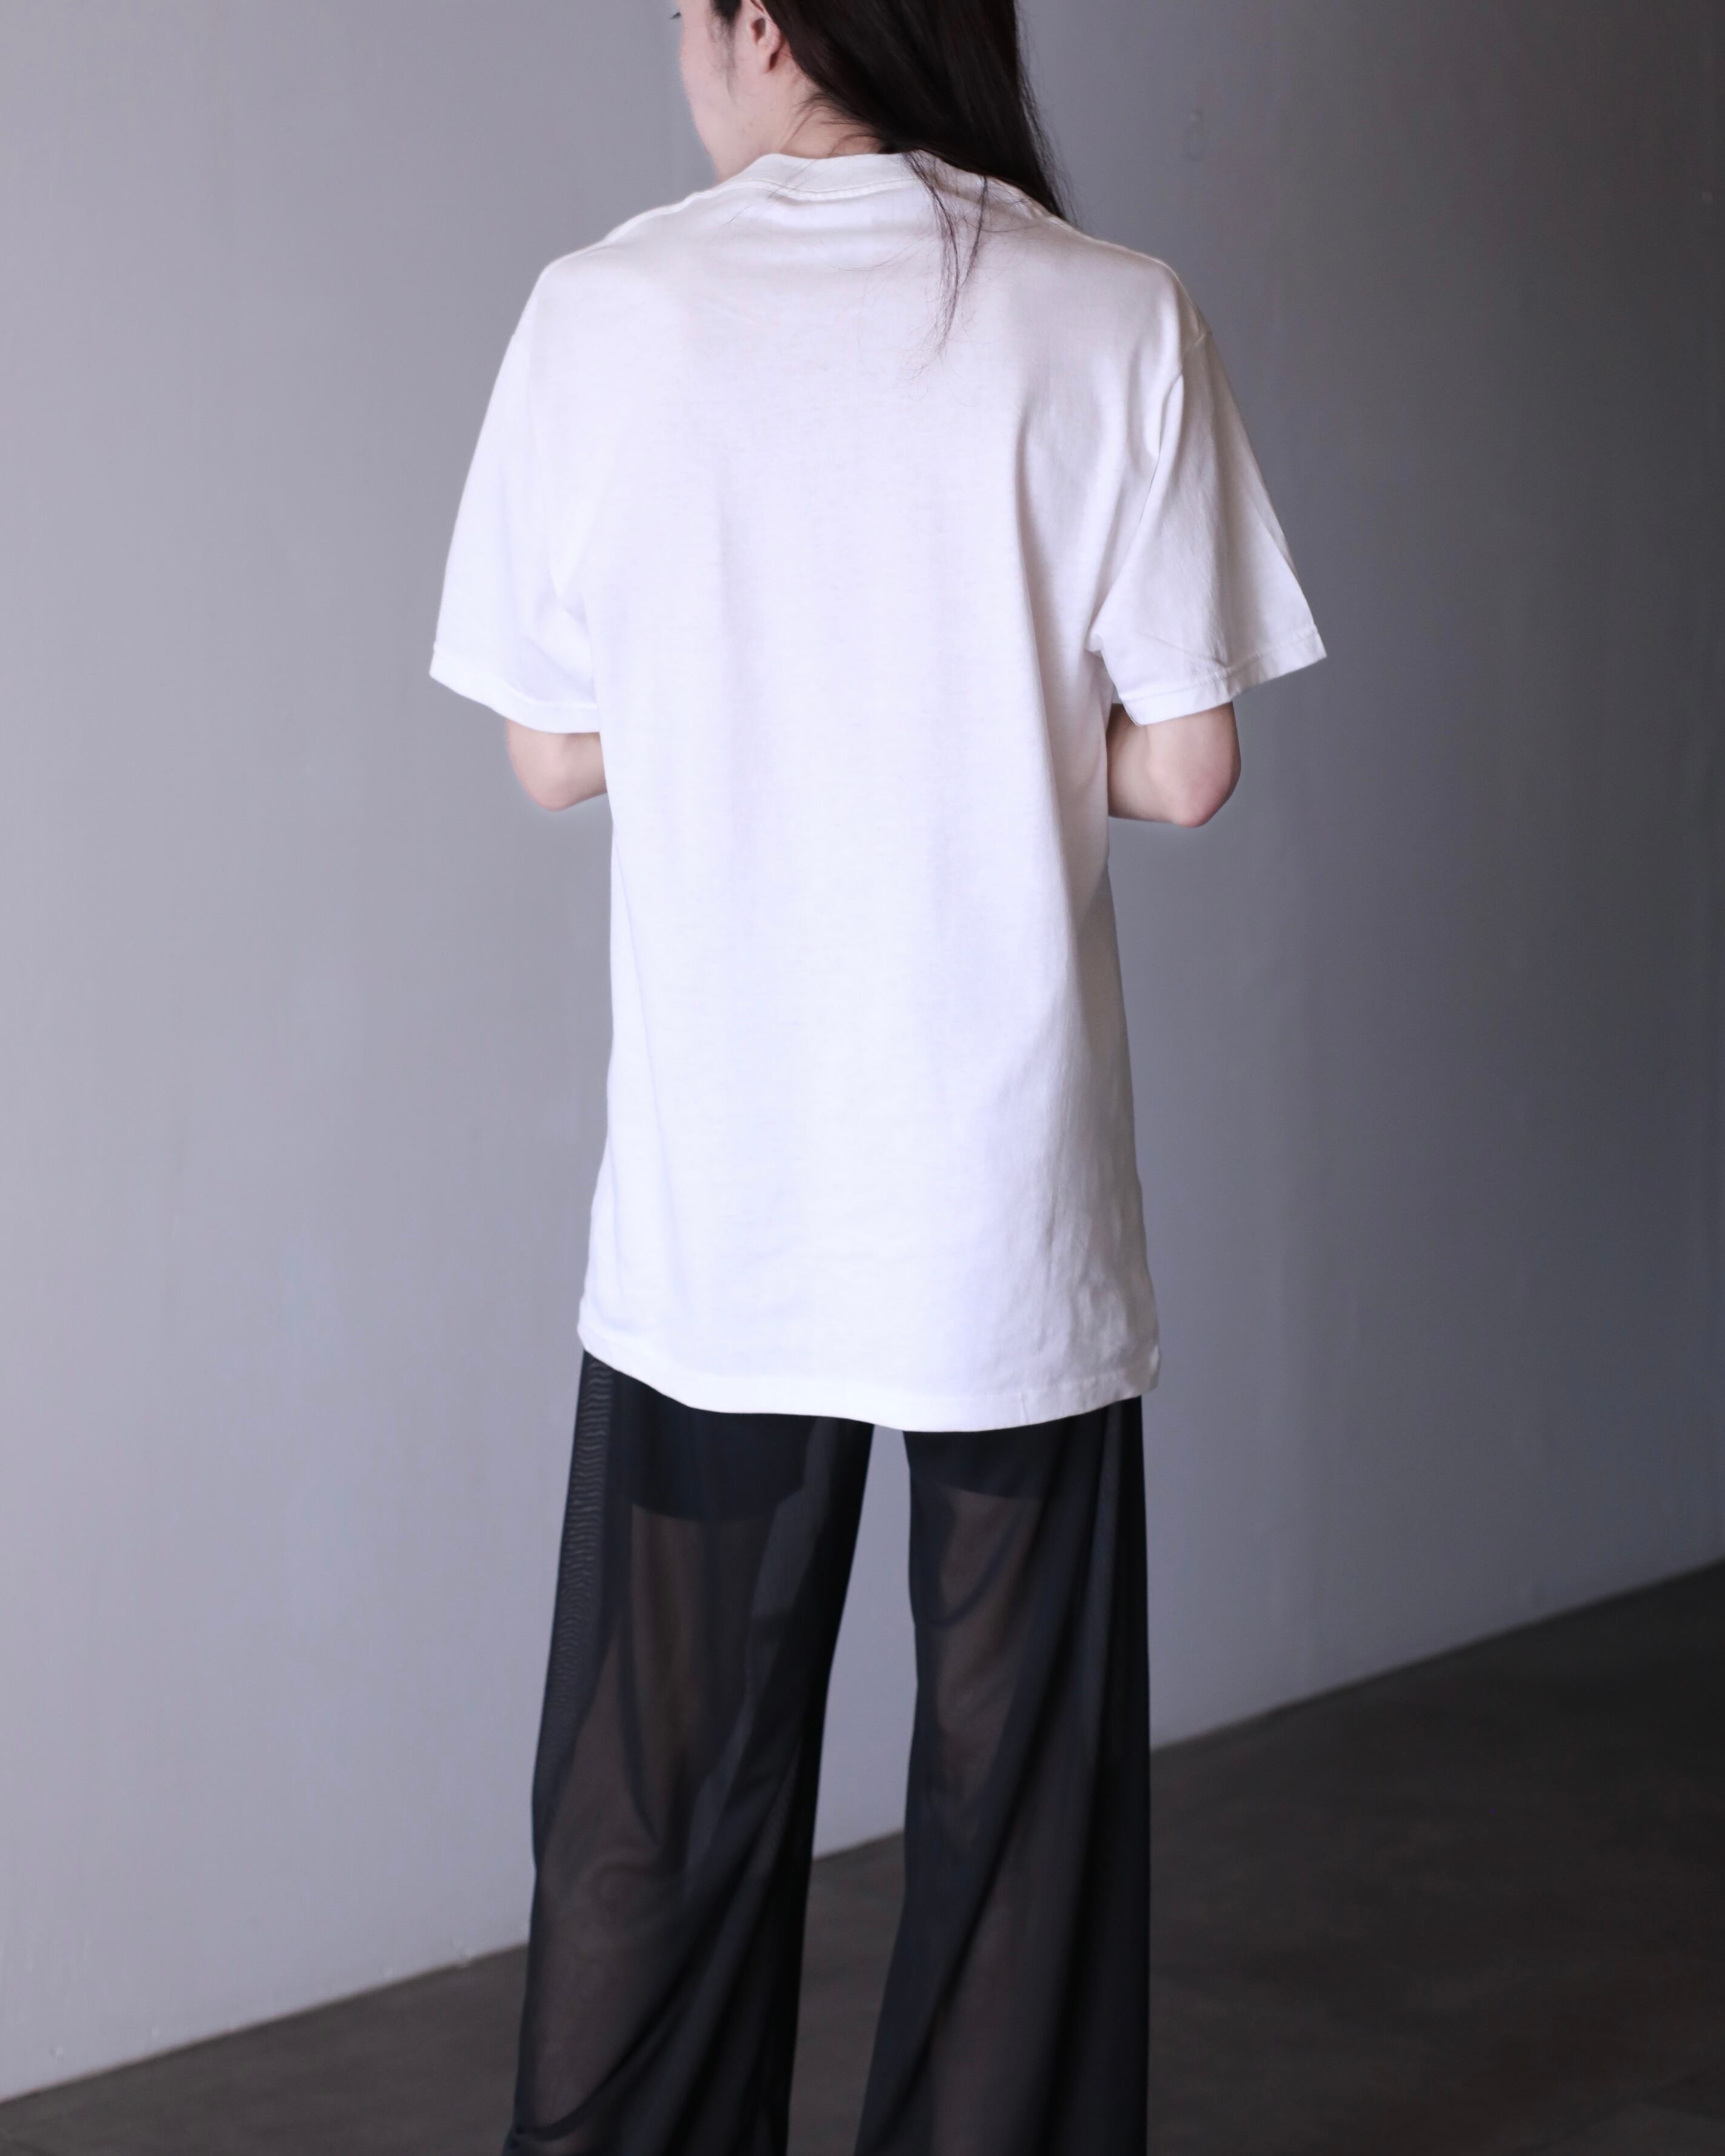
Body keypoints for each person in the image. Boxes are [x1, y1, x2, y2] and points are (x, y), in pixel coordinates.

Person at [430, 1, 1323, 2149]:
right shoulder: (1109, 311)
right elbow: (1190, 764)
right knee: (1017, 1816)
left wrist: (763, 696)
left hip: (722, 1211)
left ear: (762, 21)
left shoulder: (606, 311)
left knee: (659, 1800)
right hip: (1004, 1208)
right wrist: (990, 715)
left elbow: (551, 752)